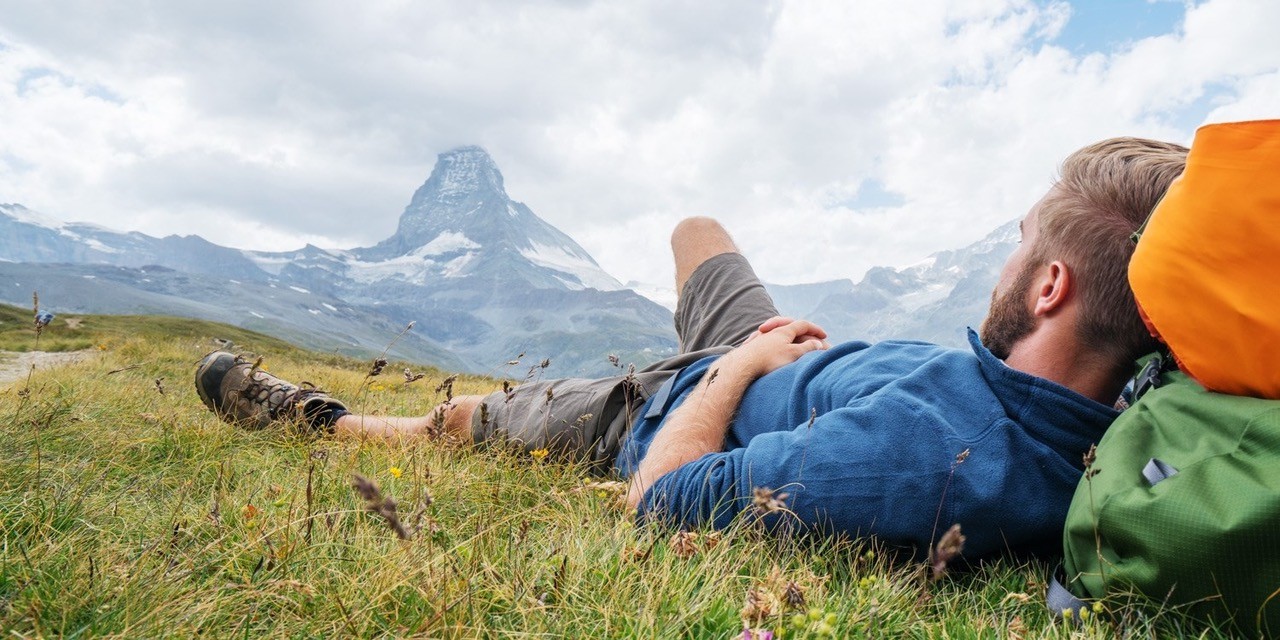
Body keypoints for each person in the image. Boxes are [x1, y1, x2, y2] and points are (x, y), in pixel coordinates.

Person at [195, 137, 1188, 558]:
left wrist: (738, 368)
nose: (1005, 260)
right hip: (780, 358)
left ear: (1049, 288)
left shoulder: (925, 461)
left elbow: (659, 499)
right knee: (697, 232)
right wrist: (785, 354)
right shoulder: (1107, 408)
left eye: (1022, 243)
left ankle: (310, 418)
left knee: (459, 421)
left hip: (680, 406)